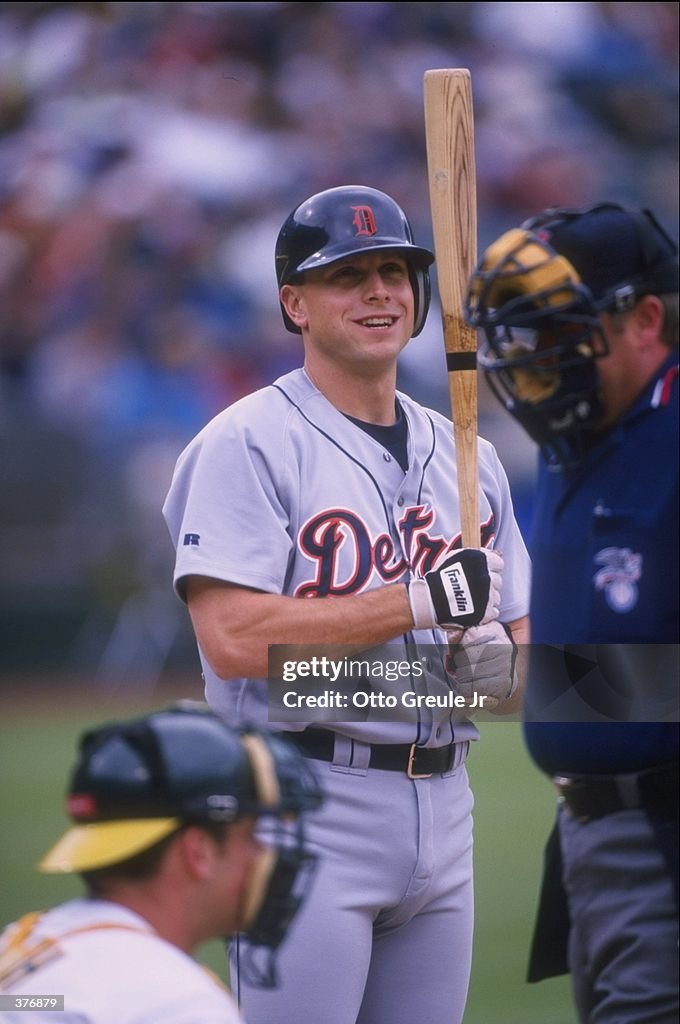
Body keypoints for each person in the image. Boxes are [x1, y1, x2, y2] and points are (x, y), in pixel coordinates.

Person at [162, 184, 531, 1024]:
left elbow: (514, 657)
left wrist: (491, 661)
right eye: (348, 275)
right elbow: (232, 637)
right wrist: (418, 600)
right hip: (304, 801)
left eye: (396, 272)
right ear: (294, 303)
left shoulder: (466, 455)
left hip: (447, 807)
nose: (379, 292)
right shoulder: (246, 443)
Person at [465, 202, 679, 1023]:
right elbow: (547, 679)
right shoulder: (571, 442)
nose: (531, 363)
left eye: (556, 331)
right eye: (519, 338)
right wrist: (322, 686)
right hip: (587, 837)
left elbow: (582, 684)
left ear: (645, 319)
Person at [0, 702, 322, 1023]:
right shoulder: (176, 1004)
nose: (261, 852)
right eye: (251, 835)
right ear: (199, 852)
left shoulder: (28, 941)